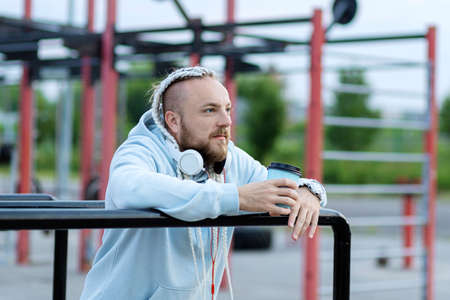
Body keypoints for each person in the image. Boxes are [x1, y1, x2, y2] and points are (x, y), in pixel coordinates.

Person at [80, 66, 327, 300]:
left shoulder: (228, 156)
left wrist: (309, 192)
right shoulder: (141, 149)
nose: (226, 121)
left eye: (227, 109)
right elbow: (129, 187)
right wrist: (235, 198)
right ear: (173, 121)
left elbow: (273, 187)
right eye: (210, 110)